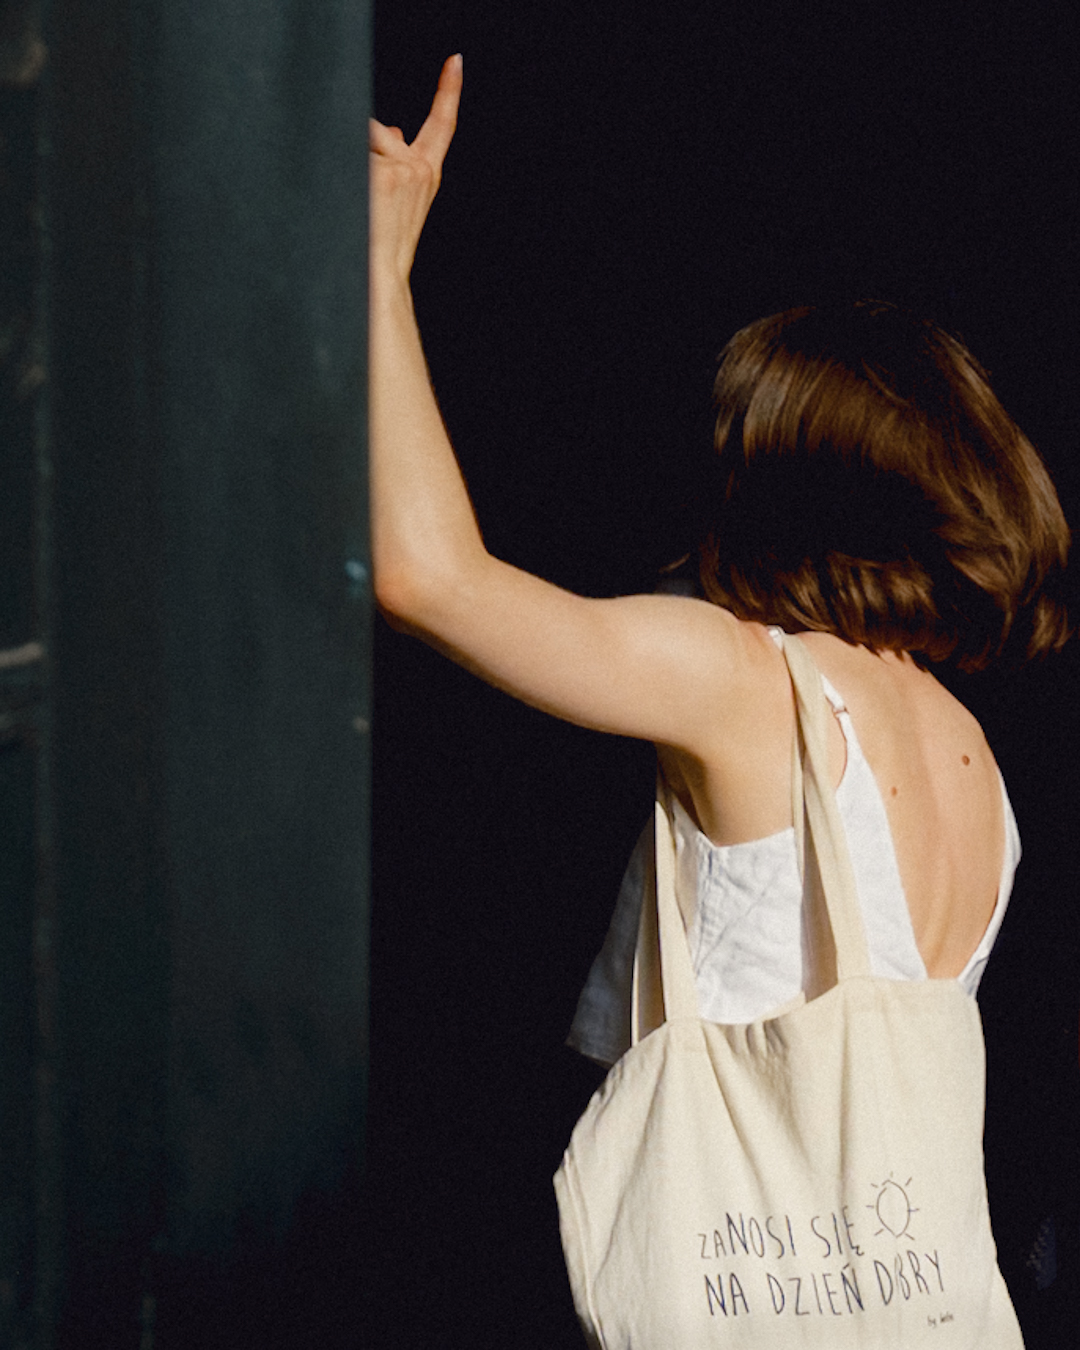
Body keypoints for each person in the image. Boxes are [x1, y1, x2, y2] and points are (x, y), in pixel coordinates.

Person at [369, 39, 1069, 1192]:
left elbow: (427, 578)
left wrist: (382, 272)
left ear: (782, 484)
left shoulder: (745, 680)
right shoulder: (969, 752)